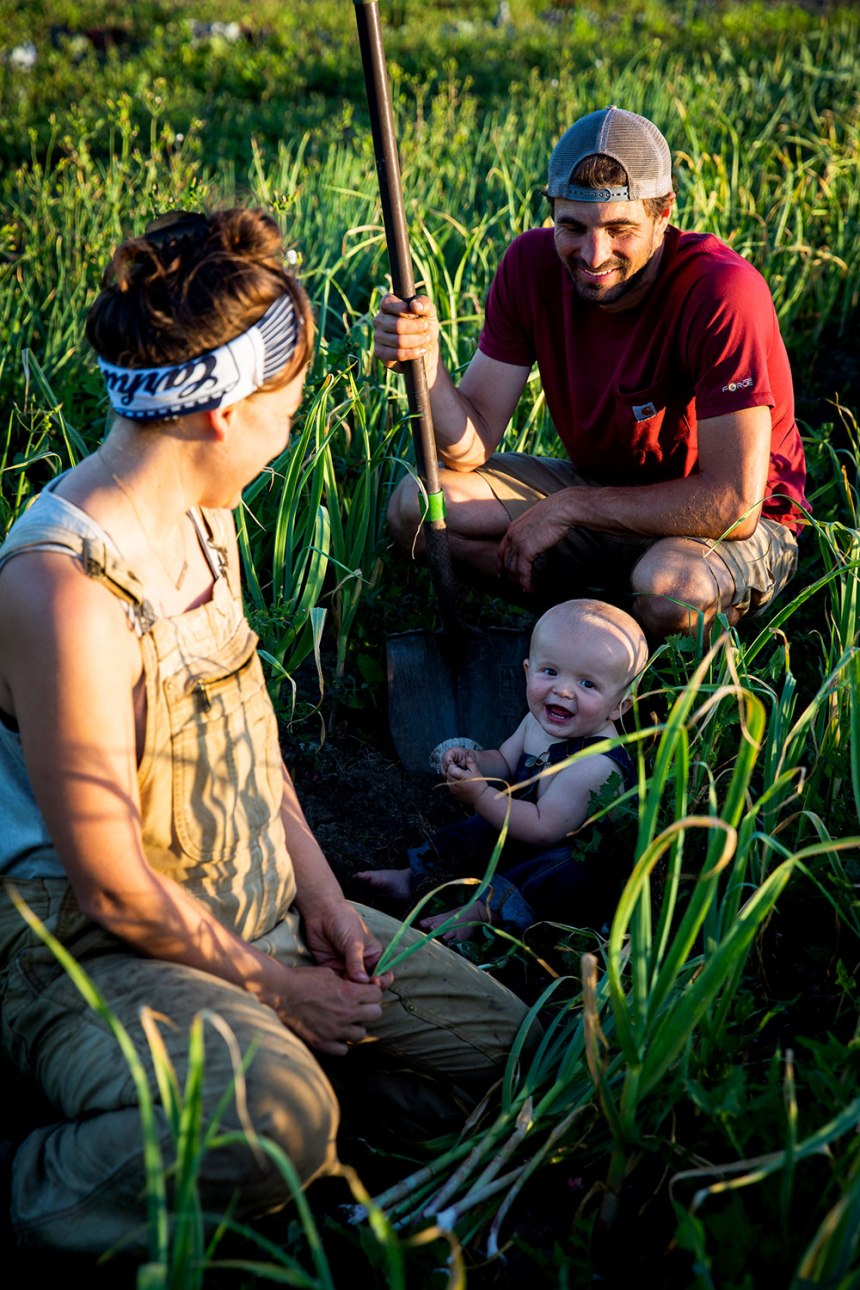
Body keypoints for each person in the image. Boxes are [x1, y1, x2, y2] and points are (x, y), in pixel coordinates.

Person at [0, 208, 533, 1258]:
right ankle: (38, 1183)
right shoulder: (63, 588)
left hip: (251, 896)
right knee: (277, 1125)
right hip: (92, 947)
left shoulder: (205, 511)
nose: (288, 432)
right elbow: (109, 885)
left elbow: (247, 736)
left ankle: (278, 1090)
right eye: (285, 409)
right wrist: (281, 987)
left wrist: (325, 901)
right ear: (220, 413)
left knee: (502, 1051)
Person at [373, 106, 808, 642]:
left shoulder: (721, 293)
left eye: (620, 228)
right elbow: (469, 447)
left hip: (735, 522)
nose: (593, 254)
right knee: (418, 507)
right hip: (608, 492)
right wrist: (427, 363)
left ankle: (646, 668)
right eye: (572, 227)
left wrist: (571, 508)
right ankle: (590, 634)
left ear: (664, 212)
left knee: (669, 586)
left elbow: (732, 505)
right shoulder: (529, 266)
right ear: (552, 210)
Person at [358, 599, 647, 942]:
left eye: (587, 684)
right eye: (550, 672)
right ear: (527, 671)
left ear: (620, 706)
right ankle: (413, 876)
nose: (563, 690)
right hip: (523, 823)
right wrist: (475, 763)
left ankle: (484, 914)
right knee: (474, 828)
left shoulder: (596, 764)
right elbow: (506, 761)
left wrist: (480, 794)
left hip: (571, 854)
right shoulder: (536, 723)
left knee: (550, 875)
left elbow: (542, 829)